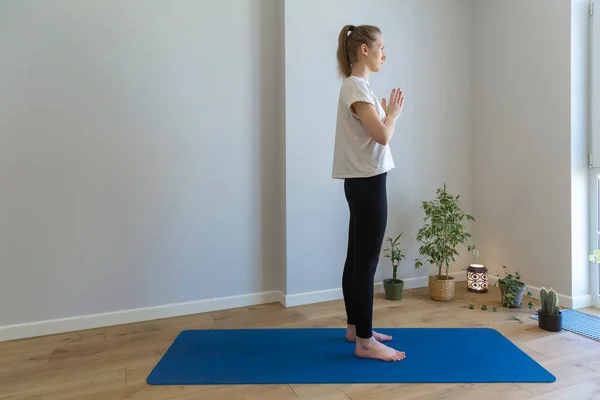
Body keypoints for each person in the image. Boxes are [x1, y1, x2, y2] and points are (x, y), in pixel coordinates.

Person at [332, 24, 405, 362]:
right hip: (368, 182)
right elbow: (382, 135)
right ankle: (365, 342)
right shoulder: (357, 87)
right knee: (367, 262)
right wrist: (392, 116)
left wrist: (386, 115)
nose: (384, 54)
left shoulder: (356, 87)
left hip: (362, 181)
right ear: (364, 50)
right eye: (381, 48)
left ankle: (355, 328)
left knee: (357, 257)